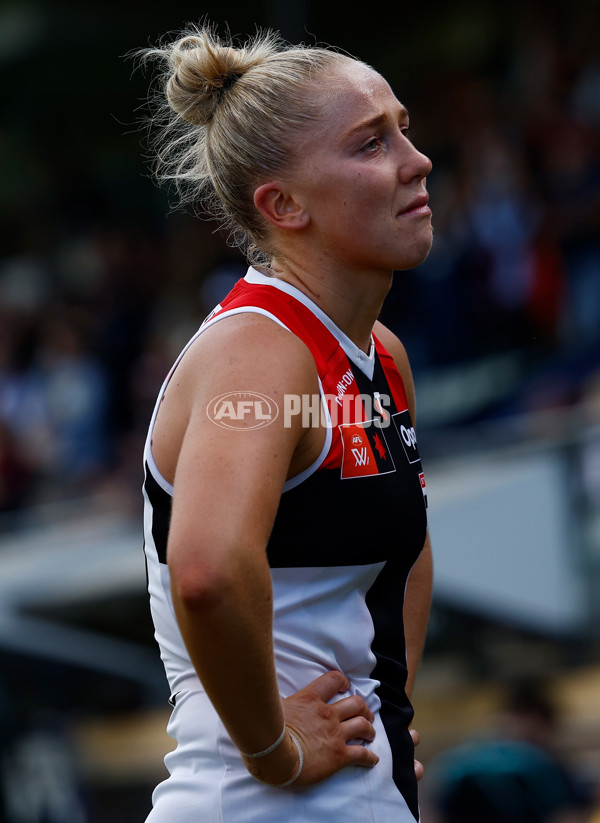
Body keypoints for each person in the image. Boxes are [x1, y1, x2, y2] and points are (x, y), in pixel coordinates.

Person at [139, 24, 434, 822]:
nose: (417, 160)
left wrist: (393, 712)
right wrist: (274, 750)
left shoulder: (380, 356)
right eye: (371, 143)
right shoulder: (260, 350)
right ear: (283, 204)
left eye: (404, 128)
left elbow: (408, 555)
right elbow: (204, 572)